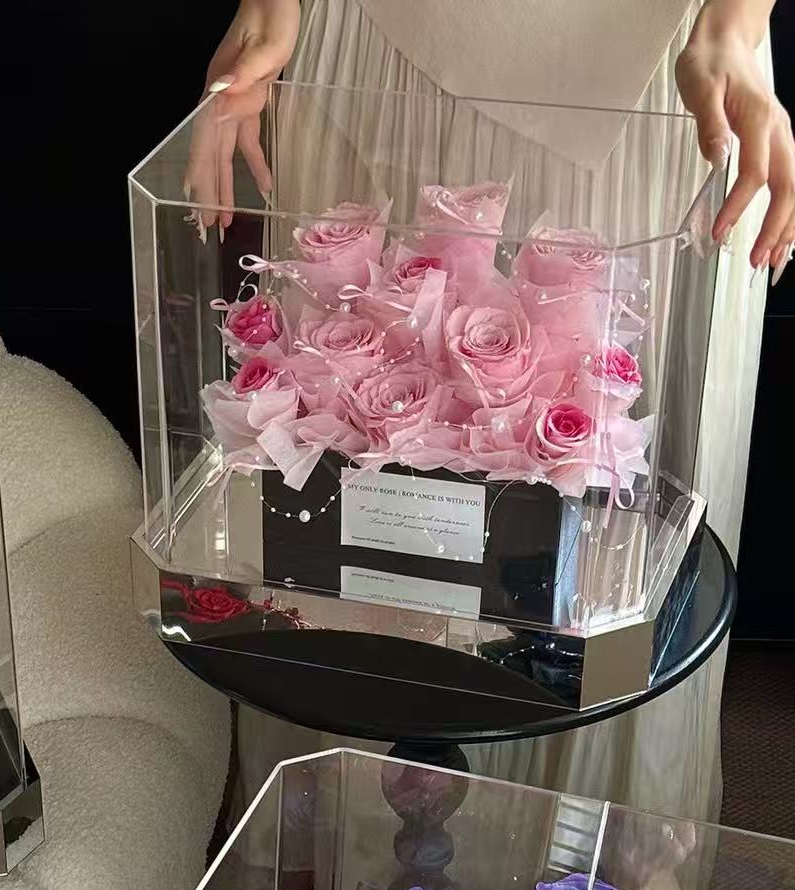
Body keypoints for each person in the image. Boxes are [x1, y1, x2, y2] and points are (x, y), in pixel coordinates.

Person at [193, 0, 790, 826]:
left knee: (604, 531)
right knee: (357, 464)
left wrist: (735, 23)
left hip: (650, 56)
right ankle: (339, 886)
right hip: (373, 41)